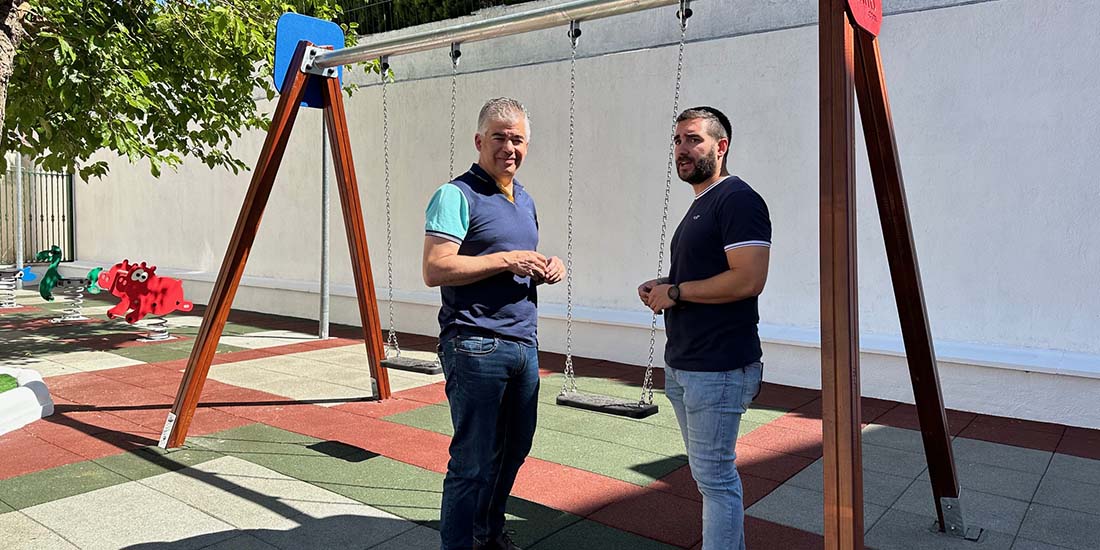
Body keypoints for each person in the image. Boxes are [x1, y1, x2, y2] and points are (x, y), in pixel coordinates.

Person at [422, 97, 565, 550]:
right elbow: (435, 268)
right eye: (499, 137)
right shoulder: (455, 194)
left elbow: (518, 258)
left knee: (514, 451)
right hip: (474, 342)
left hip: (523, 341)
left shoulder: (525, 200)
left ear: (527, 145)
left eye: (517, 138)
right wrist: (506, 260)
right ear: (479, 141)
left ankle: (488, 532)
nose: (509, 147)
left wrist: (547, 264)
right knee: (472, 460)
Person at [638, 106, 771, 550]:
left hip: (718, 366)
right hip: (686, 365)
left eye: (693, 139)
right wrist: (666, 284)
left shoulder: (738, 199)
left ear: (721, 146)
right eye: (677, 141)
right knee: (706, 475)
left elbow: (748, 278)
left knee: (715, 479)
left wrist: (676, 294)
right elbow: (705, 276)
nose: (682, 149)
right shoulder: (701, 205)